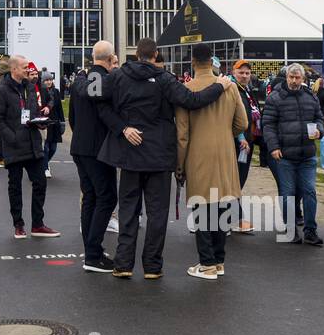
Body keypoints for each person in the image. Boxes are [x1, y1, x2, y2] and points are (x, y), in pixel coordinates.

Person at [99, 38, 226, 278]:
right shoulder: (165, 79)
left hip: (130, 154)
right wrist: (220, 85)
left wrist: (123, 128)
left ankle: (124, 264)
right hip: (159, 156)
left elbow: (98, 101)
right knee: (157, 214)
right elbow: (192, 101)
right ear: (156, 54)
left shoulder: (118, 77)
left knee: (128, 210)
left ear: (136, 53)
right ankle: (152, 267)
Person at [176, 43, 248, 280]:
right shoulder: (230, 87)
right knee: (222, 206)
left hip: (198, 153)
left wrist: (180, 165)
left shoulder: (186, 89)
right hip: (225, 152)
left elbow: (182, 135)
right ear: (213, 62)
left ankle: (206, 263)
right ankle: (218, 261)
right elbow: (243, 124)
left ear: (193, 62)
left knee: (202, 208)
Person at [68, 41, 122, 273]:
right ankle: (93, 253)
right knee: (107, 198)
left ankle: (93, 252)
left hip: (80, 145)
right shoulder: (101, 81)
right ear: (110, 60)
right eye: (115, 62)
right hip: (97, 149)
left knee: (90, 197)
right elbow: (101, 101)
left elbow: (72, 116)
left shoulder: (82, 80)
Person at [0, 55, 61, 240]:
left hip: (32, 143)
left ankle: (38, 224)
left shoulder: (30, 88)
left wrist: (40, 122)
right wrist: (12, 137)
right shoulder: (2, 91)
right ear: (14, 69)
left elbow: (33, 112)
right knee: (15, 186)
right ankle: (19, 224)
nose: (28, 70)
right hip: (14, 146)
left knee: (40, 182)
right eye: (24, 67)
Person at [262, 63, 324, 246]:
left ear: (303, 79)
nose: (294, 81)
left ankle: (310, 231)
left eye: (298, 78)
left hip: (307, 154)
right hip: (284, 156)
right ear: (286, 77)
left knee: (309, 192)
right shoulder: (275, 97)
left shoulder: (310, 97)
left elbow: (319, 118)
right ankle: (291, 229)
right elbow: (268, 125)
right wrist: (273, 147)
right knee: (287, 193)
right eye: (291, 77)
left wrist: (319, 131)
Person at [230, 59, 262, 233]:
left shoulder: (247, 90)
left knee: (238, 181)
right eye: (241, 72)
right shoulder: (232, 89)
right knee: (235, 181)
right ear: (234, 72)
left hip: (248, 142)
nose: (244, 75)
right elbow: (231, 116)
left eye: (247, 73)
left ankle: (232, 217)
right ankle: (235, 219)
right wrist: (240, 137)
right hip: (237, 143)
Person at [38, 71, 64, 178]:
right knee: (46, 147)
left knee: (53, 148)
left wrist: (62, 122)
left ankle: (43, 164)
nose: (48, 82)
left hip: (55, 122)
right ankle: (45, 168)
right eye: (46, 80)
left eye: (50, 80)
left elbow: (59, 108)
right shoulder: (40, 92)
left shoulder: (56, 91)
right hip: (44, 123)